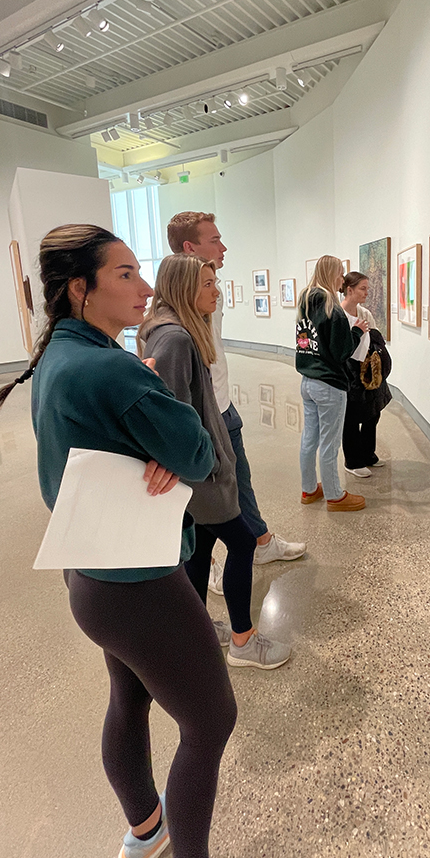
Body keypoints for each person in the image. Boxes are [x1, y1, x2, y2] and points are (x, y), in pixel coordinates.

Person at [0, 225, 250, 858]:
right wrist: (163, 424)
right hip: (139, 582)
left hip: (92, 575)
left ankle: (145, 827)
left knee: (129, 697)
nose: (142, 287)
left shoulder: (59, 357)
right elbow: (197, 452)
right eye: (125, 274)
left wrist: (151, 434)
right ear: (82, 288)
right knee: (211, 718)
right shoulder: (112, 366)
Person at [139, 253, 291, 670]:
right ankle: (243, 641)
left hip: (197, 474)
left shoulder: (178, 332)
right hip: (199, 476)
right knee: (242, 543)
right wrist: (207, 464)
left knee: (201, 548)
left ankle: (199, 630)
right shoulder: (176, 339)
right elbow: (172, 419)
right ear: (185, 288)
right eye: (207, 283)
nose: (217, 290)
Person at [167, 212, 305, 594]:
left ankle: (259, 541)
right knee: (207, 492)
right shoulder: (180, 313)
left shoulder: (208, 292)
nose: (223, 247)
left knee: (239, 480)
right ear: (189, 248)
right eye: (215, 240)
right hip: (207, 416)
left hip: (223, 407)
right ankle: (205, 559)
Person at [295, 256, 367, 512]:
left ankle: (309, 489)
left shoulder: (305, 303)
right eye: (340, 273)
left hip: (307, 381)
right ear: (330, 274)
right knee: (329, 442)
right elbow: (341, 352)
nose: (342, 279)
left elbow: (306, 343)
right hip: (328, 385)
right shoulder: (332, 308)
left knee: (309, 438)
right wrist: (357, 331)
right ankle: (335, 495)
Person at [340, 271, 389, 476]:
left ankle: (368, 454)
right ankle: (352, 461)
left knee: (372, 412)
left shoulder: (365, 313)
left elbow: (374, 341)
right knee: (351, 417)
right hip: (348, 373)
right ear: (349, 290)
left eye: (367, 288)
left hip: (368, 371)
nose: (366, 292)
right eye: (363, 288)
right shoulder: (338, 315)